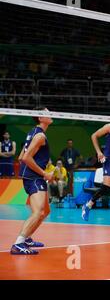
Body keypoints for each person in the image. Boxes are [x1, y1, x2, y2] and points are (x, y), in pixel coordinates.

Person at [10, 107, 53, 255]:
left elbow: (22, 156)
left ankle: (27, 238)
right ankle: (19, 244)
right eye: (47, 113)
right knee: (39, 212)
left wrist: (41, 162)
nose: (50, 114)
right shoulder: (39, 136)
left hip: (32, 176)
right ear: (41, 118)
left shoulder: (33, 132)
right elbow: (26, 158)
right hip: (34, 177)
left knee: (46, 211)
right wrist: (44, 173)